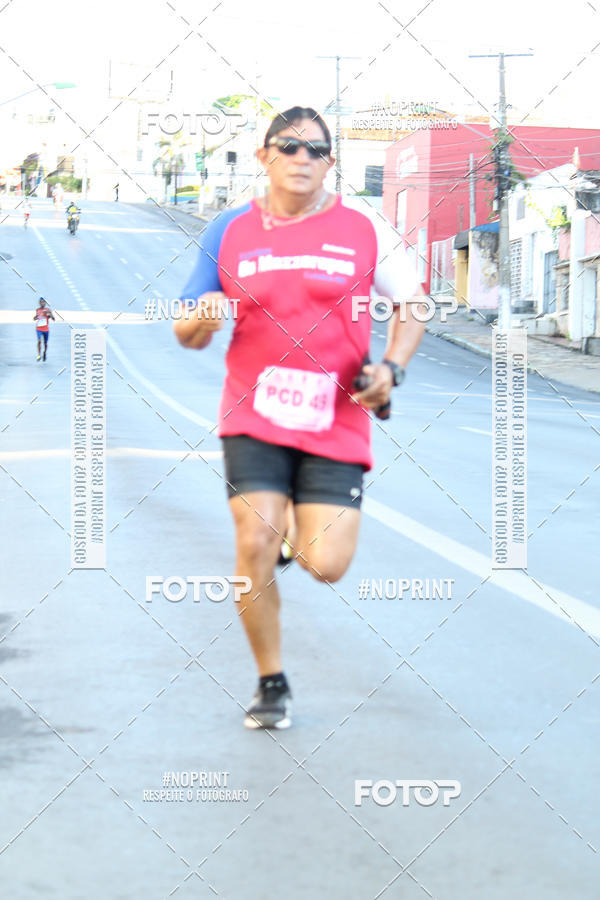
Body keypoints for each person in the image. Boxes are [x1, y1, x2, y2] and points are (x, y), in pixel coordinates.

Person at [174, 106, 426, 730]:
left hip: (335, 416)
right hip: (252, 413)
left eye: (315, 149)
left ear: (329, 163)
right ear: (263, 157)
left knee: (327, 564)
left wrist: (391, 367)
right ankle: (270, 681)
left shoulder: (363, 227)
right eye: (287, 147)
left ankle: (297, 538)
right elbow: (188, 331)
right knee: (253, 538)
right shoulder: (230, 230)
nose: (300, 158)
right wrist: (202, 315)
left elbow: (414, 302)